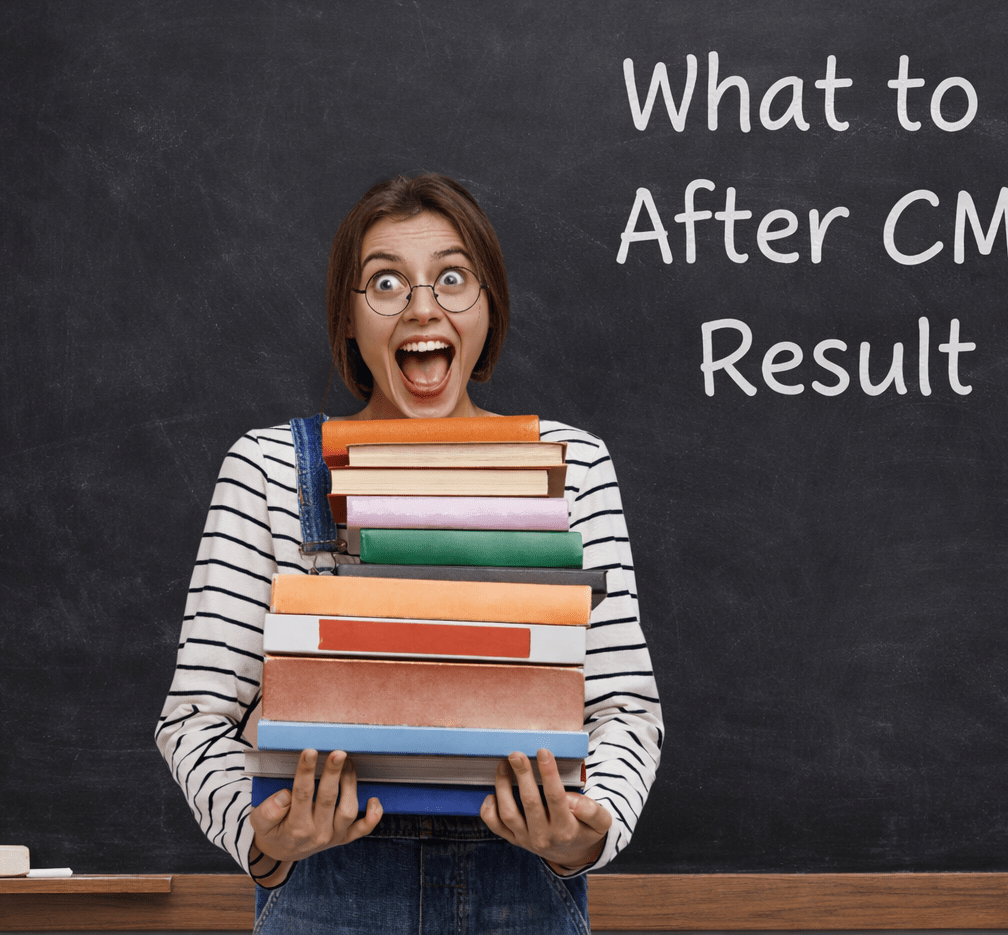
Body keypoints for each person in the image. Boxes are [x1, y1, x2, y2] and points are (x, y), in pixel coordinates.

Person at [155, 173, 662, 934]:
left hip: (523, 893)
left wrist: (587, 831)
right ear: (349, 319)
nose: (423, 307)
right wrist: (265, 843)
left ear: (488, 306)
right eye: (385, 282)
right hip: (325, 894)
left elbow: (626, 707)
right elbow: (195, 716)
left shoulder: (573, 465)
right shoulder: (266, 470)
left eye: (452, 279)